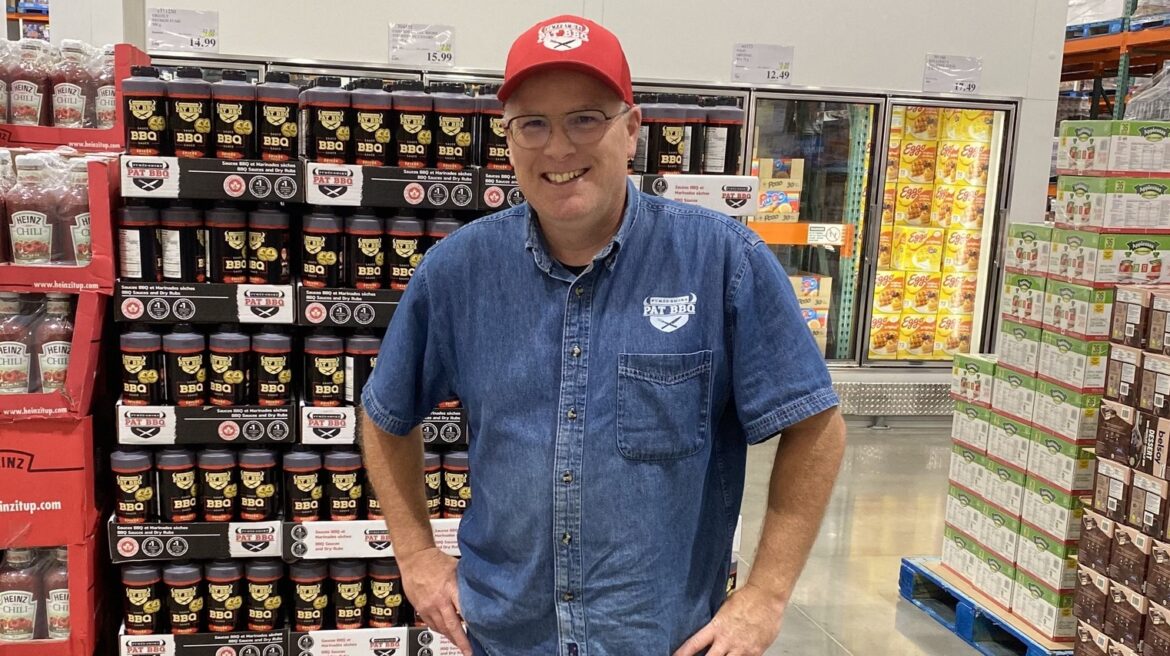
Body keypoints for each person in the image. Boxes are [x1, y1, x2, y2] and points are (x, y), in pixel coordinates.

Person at [361, 14, 846, 656]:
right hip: (506, 637)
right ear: (508, 138)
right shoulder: (457, 273)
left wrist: (766, 595)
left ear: (632, 130)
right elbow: (385, 414)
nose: (558, 148)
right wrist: (416, 555)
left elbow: (816, 427)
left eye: (585, 119)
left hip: (664, 639)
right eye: (533, 124)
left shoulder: (722, 262)